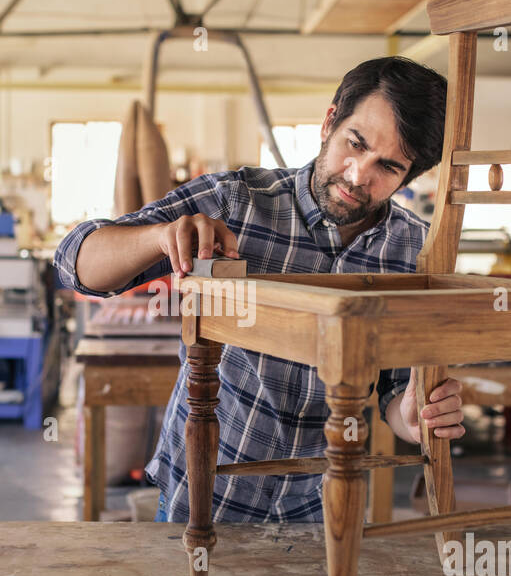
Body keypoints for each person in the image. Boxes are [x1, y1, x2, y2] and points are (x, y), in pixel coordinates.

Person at [54, 56, 465, 522]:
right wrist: (157, 236)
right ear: (330, 121)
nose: (357, 175)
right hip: (203, 495)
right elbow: (73, 262)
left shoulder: (412, 248)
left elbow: (394, 390)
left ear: (409, 176)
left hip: (319, 508)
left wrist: (412, 418)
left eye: (387, 167)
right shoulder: (237, 202)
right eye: (355, 143)